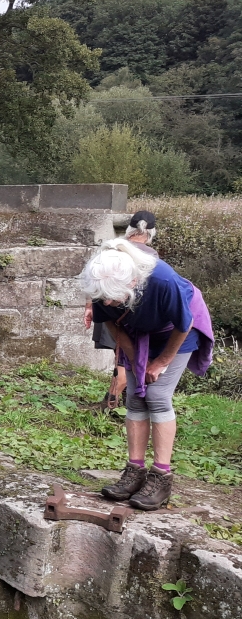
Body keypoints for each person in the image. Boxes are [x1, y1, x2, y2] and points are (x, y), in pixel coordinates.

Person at [79, 238, 214, 510]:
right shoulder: (103, 282)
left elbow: (184, 323)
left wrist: (161, 362)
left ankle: (161, 478)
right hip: (135, 330)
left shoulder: (163, 281)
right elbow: (109, 323)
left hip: (177, 330)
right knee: (136, 397)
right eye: (101, 297)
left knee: (157, 395)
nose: (105, 301)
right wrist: (133, 358)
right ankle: (134, 471)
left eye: (110, 297)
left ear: (131, 284)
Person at [84, 210, 159, 410]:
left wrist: (90, 305)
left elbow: (94, 275)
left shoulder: (112, 247)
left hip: (104, 309)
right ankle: (109, 404)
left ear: (129, 229)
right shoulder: (150, 256)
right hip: (128, 315)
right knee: (126, 359)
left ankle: (114, 401)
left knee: (120, 357)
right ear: (151, 233)